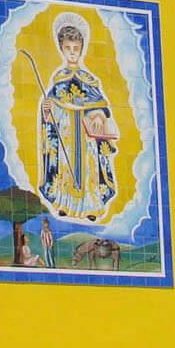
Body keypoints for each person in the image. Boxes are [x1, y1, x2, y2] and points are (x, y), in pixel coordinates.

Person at [36, 12, 120, 222]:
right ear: (61, 49)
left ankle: (91, 207)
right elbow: (52, 110)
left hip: (86, 137)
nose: (72, 53)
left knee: (90, 170)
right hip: (65, 135)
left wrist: (98, 116)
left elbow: (100, 105)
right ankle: (65, 204)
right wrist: (47, 109)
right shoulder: (59, 78)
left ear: (82, 49)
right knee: (65, 169)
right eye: (68, 48)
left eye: (76, 48)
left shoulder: (89, 80)